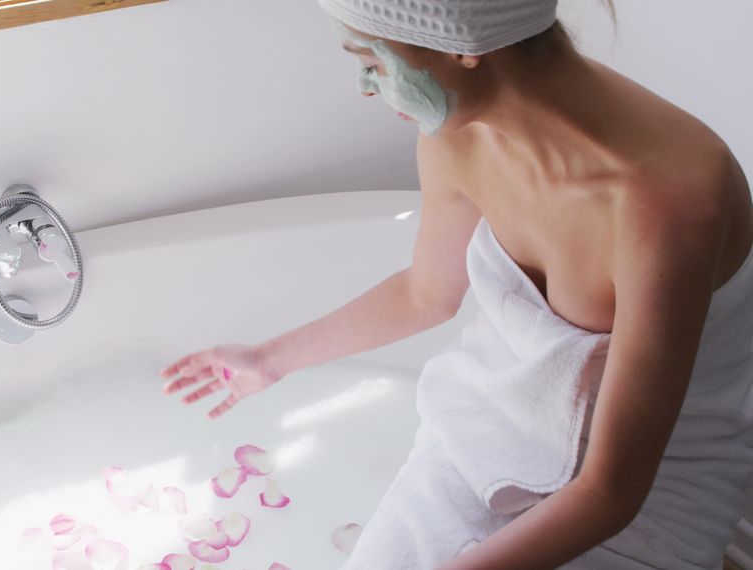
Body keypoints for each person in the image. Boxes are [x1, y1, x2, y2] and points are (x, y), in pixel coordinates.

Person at [160, 0, 753, 567]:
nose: (365, 88)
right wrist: (269, 360)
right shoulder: (455, 138)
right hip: (492, 428)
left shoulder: (667, 200)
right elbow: (426, 293)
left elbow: (611, 492)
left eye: (370, 62)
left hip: (648, 485)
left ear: (462, 48)